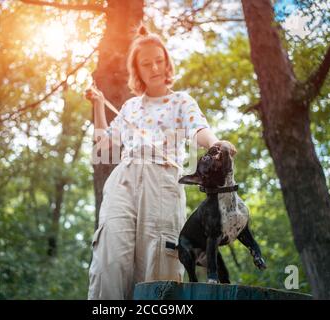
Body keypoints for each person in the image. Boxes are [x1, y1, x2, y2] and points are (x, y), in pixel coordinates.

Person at [85, 24, 236, 300]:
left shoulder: (181, 101)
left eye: (159, 61)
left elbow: (198, 128)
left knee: (156, 264)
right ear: (138, 71)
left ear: (167, 63)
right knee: (111, 257)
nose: (154, 67)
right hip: (125, 180)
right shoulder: (131, 107)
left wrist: (216, 145)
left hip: (163, 183)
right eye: (146, 63)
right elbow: (104, 144)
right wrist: (98, 103)